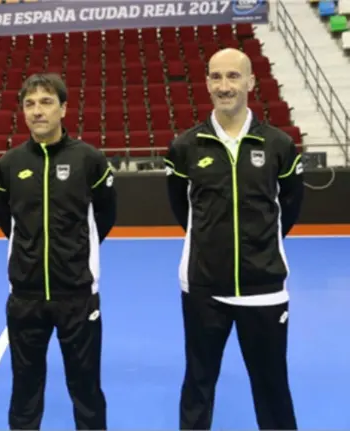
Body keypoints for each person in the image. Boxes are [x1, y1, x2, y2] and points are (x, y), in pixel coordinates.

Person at [164, 48, 304, 430]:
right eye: (216, 77)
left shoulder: (278, 144)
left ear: (250, 82)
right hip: (204, 288)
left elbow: (289, 207)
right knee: (198, 383)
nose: (225, 86)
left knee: (273, 386)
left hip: (265, 288)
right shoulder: (184, 147)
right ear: (207, 82)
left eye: (233, 76)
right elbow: (182, 210)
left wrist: (260, 246)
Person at [0, 73, 117, 430]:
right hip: (25, 296)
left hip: (77, 295)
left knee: (86, 388)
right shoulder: (9, 165)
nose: (37, 111)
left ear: (63, 108)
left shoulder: (89, 160)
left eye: (46, 102)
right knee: (25, 390)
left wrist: (75, 256)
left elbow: (105, 217)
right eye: (29, 104)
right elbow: (7, 221)